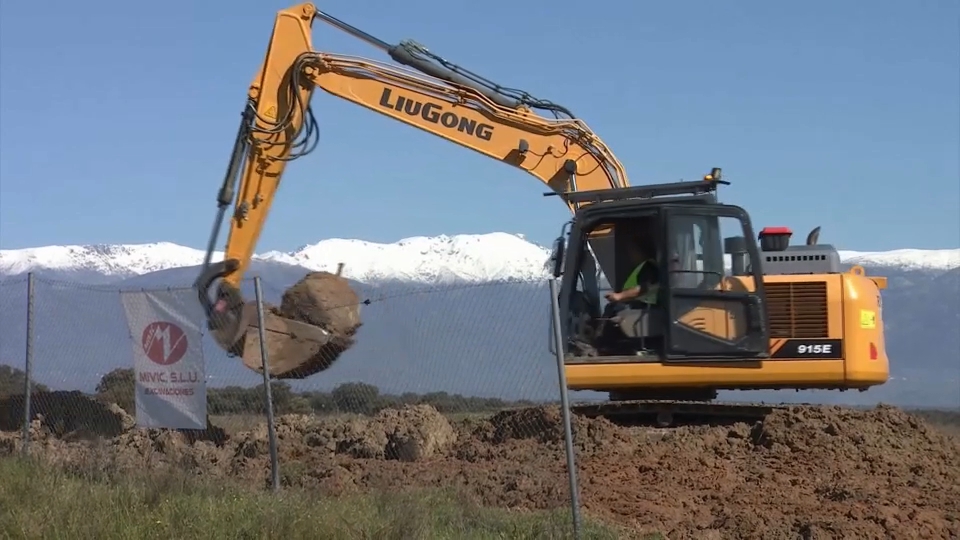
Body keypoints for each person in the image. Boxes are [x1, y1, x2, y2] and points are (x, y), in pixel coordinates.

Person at [605, 242, 660, 307]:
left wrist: (619, 296)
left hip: (647, 308)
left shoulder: (648, 266)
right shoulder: (640, 267)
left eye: (632, 251)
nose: (630, 254)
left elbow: (644, 287)